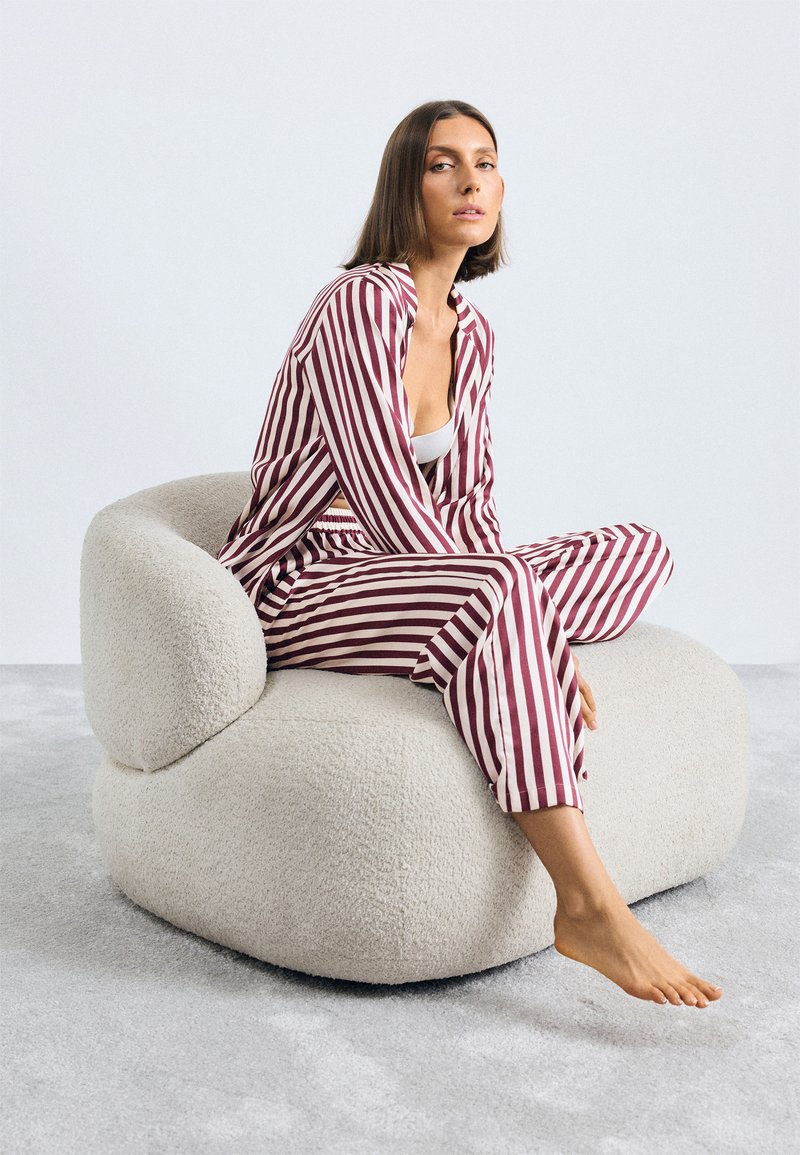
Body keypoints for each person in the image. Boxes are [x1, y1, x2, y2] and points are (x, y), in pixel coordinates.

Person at [217, 99, 723, 1008]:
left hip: (406, 572)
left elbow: (470, 502)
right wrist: (511, 604)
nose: (470, 182)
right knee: (496, 589)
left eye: (485, 163)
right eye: (442, 163)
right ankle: (587, 904)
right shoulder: (358, 303)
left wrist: (512, 598)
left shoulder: (472, 331)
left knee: (638, 549)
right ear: (404, 186)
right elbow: (381, 486)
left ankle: (500, 632)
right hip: (304, 576)